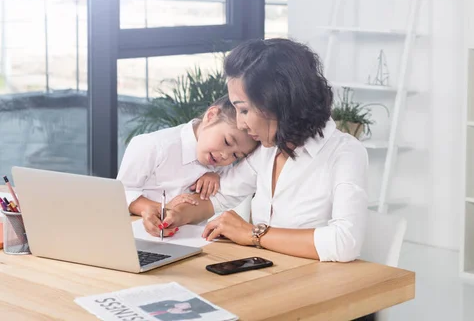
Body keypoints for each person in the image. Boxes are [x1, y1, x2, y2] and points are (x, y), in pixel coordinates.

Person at [141, 38, 369, 262]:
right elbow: (218, 197)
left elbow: (345, 242)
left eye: (244, 110)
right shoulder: (268, 150)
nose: (240, 124)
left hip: (313, 284)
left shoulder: (345, 153)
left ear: (277, 102)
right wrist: (173, 215)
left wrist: (252, 234)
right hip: (262, 274)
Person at [117, 95, 259, 236]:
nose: (225, 156)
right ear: (211, 116)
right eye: (227, 142)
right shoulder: (153, 145)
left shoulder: (220, 165)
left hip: (190, 241)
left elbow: (217, 201)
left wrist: (216, 177)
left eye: (236, 156)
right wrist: (163, 210)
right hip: (141, 235)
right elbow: (122, 193)